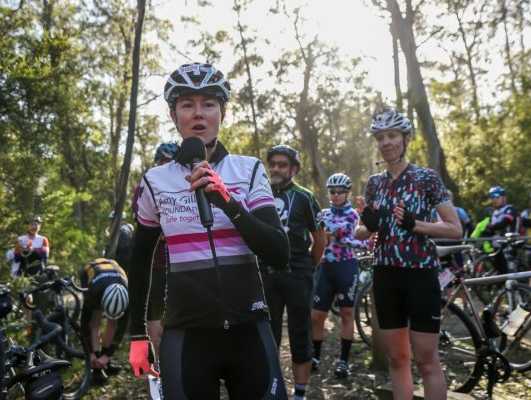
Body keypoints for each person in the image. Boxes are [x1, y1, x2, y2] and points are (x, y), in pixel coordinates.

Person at [127, 62, 289, 399]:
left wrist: (228, 201)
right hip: (186, 336)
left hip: (250, 330)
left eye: (209, 104)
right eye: (187, 104)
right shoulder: (155, 182)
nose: (198, 114)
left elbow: (278, 251)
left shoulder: (249, 170)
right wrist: (137, 336)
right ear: (174, 115)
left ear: (223, 111)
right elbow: (141, 261)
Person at [355, 107, 462, 400]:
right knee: (397, 360)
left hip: (421, 274)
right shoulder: (375, 183)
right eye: (380, 137)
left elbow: (455, 229)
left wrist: (417, 224)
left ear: (406, 138)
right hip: (386, 275)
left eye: (392, 136)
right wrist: (370, 226)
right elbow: (358, 233)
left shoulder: (427, 178)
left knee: (427, 361)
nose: (385, 142)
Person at [261, 144, 326, 400]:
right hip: (265, 273)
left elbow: (319, 239)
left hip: (298, 272)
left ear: (294, 169)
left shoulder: (306, 197)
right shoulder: (259, 193)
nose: (276, 168)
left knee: (301, 335)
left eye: (282, 164)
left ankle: (299, 395)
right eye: (273, 163)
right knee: (267, 336)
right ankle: (272, 390)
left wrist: (309, 266)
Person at [311, 173, 370, 378]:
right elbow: (315, 240)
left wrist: (341, 238)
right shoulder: (323, 214)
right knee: (317, 315)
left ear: (348, 193)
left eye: (340, 192)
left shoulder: (355, 215)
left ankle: (344, 361)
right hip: (326, 268)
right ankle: (315, 357)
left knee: (346, 314)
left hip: (347, 266)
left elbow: (365, 243)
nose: (336, 195)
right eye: (332, 191)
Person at [141, 142, 180, 366]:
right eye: (162, 162)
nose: (166, 167)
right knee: (155, 332)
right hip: (155, 268)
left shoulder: (190, 186)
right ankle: (160, 377)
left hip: (181, 267)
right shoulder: (148, 188)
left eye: (171, 163)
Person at [79, 258, 129, 384]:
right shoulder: (93, 292)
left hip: (114, 269)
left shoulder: (128, 294)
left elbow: (121, 327)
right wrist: (90, 353)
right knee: (95, 320)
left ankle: (105, 359)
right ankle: (96, 364)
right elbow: (85, 323)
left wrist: (108, 355)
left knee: (114, 322)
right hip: (91, 272)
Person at [484, 186, 518, 273]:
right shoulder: (494, 212)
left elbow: (503, 223)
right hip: (496, 245)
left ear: (504, 198)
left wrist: (491, 227)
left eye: (497, 196)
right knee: (499, 269)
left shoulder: (510, 209)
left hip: (508, 245)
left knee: (510, 270)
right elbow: (491, 229)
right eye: (492, 197)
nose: (494, 199)